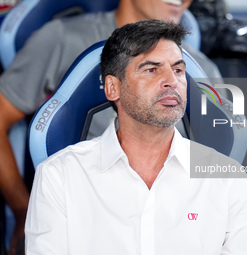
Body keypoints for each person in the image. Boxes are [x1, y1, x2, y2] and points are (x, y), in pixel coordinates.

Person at [25, 19, 247, 255]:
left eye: (178, 70)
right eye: (151, 69)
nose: (171, 81)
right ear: (113, 87)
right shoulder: (59, 176)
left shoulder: (225, 177)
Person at [0, 0, 222, 253]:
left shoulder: (206, 72)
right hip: (89, 222)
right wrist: (23, 210)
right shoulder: (62, 38)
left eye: (177, 70)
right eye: (150, 70)